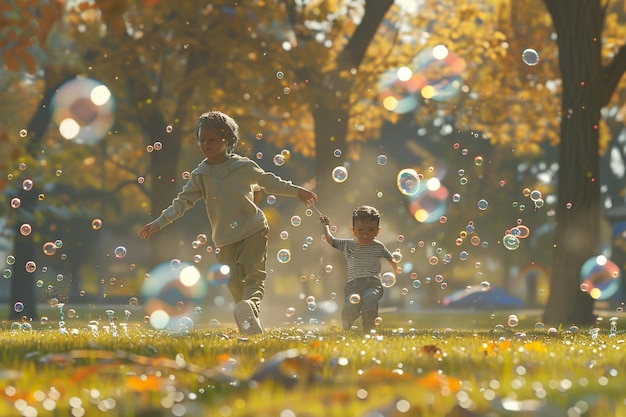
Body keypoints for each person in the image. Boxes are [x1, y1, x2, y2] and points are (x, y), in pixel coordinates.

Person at [138, 110, 318, 335]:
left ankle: (249, 306)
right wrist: (158, 222)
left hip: (253, 229)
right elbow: (181, 203)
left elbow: (270, 182)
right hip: (224, 238)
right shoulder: (200, 175)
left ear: (227, 140)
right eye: (202, 140)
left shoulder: (243, 167)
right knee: (233, 283)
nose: (206, 144)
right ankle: (247, 317)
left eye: (212, 139)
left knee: (254, 275)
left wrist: (297, 191)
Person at [320, 205, 398, 333]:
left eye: (370, 230)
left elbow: (390, 257)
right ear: (353, 231)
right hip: (354, 285)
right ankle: (348, 318)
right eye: (360, 229)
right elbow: (331, 240)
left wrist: (395, 268)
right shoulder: (347, 245)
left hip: (373, 283)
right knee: (351, 307)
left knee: (370, 298)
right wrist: (326, 226)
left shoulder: (378, 246)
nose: (365, 234)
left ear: (377, 232)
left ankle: (369, 328)